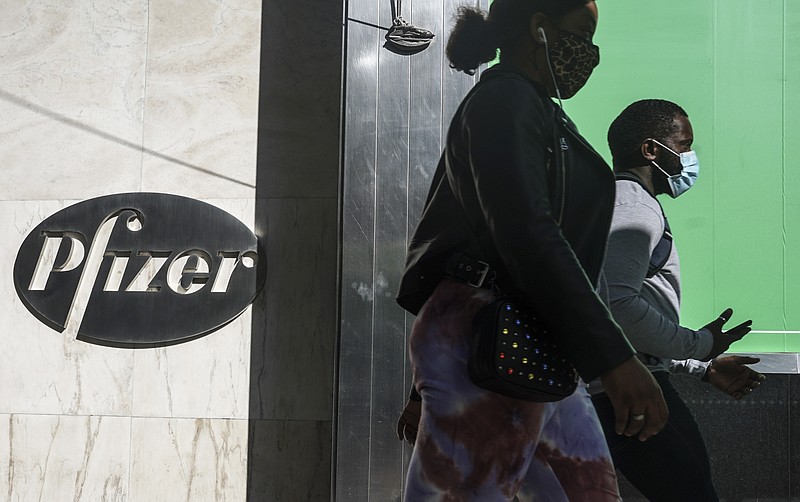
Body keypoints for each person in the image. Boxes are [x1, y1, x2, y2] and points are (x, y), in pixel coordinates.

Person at [395, 1, 669, 499]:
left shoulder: (536, 110)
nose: (590, 53)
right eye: (581, 33)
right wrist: (614, 356)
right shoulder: (507, 101)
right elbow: (525, 233)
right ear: (539, 28)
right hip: (497, 333)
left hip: (525, 337)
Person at [589, 99, 766, 501]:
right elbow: (616, 307)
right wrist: (700, 344)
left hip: (625, 383)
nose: (690, 159)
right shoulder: (633, 205)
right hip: (627, 390)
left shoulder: (617, 201)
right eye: (684, 146)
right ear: (651, 150)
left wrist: (700, 366)